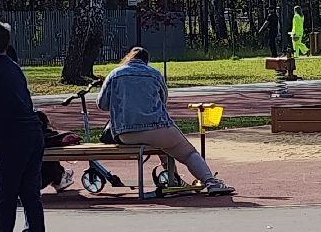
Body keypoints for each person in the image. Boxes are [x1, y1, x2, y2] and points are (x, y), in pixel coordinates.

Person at [97, 48, 234, 195]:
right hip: (158, 128)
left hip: (126, 133)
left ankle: (173, 178)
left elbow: (102, 104)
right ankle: (210, 181)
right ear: (146, 61)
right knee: (188, 153)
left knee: (161, 147)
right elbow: (163, 101)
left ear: (128, 58)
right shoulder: (154, 74)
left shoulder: (115, 74)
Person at [0, 21, 47, 232]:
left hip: (13, 137)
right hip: (32, 133)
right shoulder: (13, 68)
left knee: (5, 195)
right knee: (29, 192)